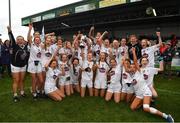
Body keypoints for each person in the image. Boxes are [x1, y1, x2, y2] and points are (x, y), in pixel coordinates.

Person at [130, 47, 174, 123]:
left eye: (145, 60)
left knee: (146, 108)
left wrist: (160, 59)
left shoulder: (150, 69)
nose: (144, 62)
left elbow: (161, 69)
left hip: (146, 91)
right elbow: (135, 62)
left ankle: (166, 116)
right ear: (140, 62)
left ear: (147, 62)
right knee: (132, 108)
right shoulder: (138, 69)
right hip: (139, 93)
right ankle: (144, 101)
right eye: (142, 60)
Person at [7, 26, 29, 102]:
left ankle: (22, 92)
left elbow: (29, 40)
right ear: (16, 40)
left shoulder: (26, 47)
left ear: (23, 40)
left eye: (21, 39)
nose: (20, 41)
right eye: (18, 39)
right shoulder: (15, 46)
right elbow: (11, 38)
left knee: (22, 80)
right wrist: (10, 31)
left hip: (23, 66)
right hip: (15, 66)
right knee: (16, 80)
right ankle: (15, 95)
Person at [27, 23, 44, 100]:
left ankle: (36, 90)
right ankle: (34, 94)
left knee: (41, 80)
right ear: (34, 40)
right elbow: (28, 38)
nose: (37, 40)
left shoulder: (41, 45)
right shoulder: (32, 45)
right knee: (34, 80)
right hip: (32, 64)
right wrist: (30, 29)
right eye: (36, 39)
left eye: (38, 39)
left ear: (40, 40)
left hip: (39, 64)